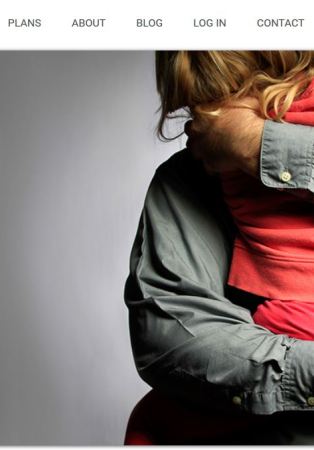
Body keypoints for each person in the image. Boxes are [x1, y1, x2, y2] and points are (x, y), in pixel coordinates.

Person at [124, 51, 314, 444]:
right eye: (199, 108)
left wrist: (261, 145)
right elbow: (168, 333)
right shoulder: (188, 180)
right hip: (258, 416)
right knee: (156, 422)